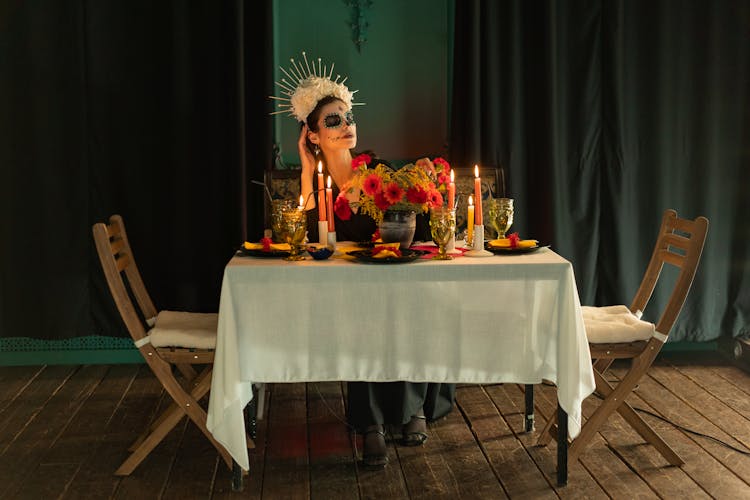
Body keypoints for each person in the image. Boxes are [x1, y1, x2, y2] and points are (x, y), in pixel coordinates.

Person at [271, 53, 455, 469]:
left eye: (347, 116)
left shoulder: (380, 173)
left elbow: (414, 227)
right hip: (348, 292)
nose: (345, 125)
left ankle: (413, 410)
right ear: (313, 136)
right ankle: (371, 424)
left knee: (403, 306)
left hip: (400, 281)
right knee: (361, 314)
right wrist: (305, 169)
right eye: (332, 121)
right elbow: (306, 236)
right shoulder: (319, 187)